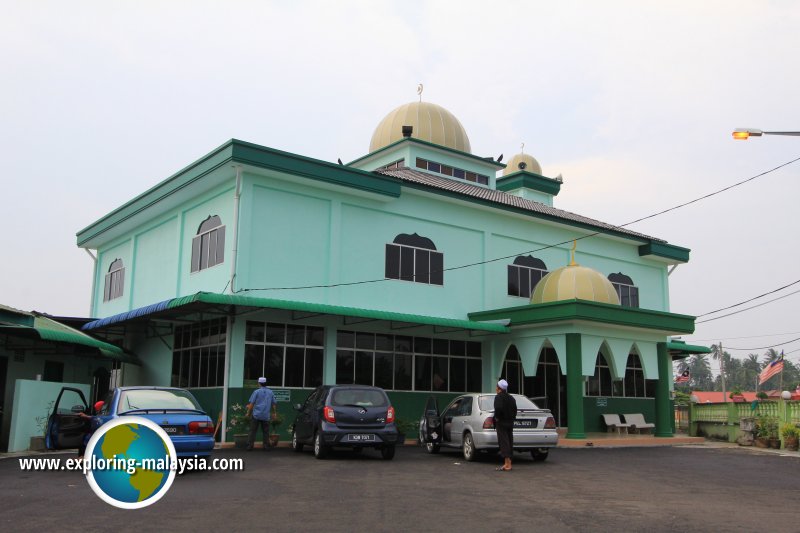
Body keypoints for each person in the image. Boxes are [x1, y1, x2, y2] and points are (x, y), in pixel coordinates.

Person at [246, 377, 277, 451]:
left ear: (259, 383)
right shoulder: (270, 392)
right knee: (266, 431)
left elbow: (252, 404)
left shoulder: (256, 392)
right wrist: (274, 413)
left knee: (252, 431)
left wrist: (248, 413)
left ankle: (250, 446)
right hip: (266, 415)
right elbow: (274, 404)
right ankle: (266, 446)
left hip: (256, 415)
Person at [493, 379, 516, 472]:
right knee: (509, 441)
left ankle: (508, 464)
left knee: (504, 442)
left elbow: (498, 408)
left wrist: (497, 417)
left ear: (499, 389)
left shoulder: (499, 397)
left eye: (496, 387)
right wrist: (512, 418)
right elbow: (515, 409)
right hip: (510, 422)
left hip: (502, 422)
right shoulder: (511, 398)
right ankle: (508, 462)